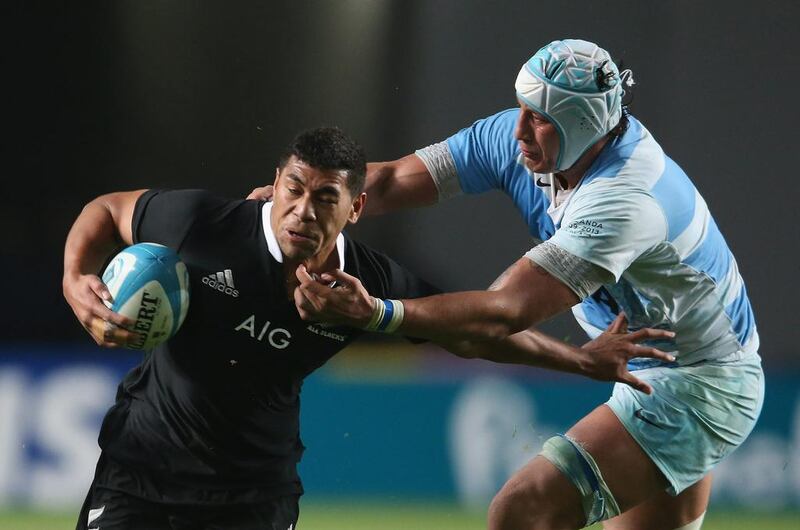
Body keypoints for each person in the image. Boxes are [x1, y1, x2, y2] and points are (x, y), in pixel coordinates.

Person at [63, 126, 670, 530]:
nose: (302, 211)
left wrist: (582, 361)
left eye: (324, 198)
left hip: (252, 497)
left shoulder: (370, 284)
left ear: (355, 209)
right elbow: (107, 210)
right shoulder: (203, 223)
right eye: (292, 190)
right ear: (273, 186)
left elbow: (473, 334)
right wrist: (75, 281)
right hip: (140, 473)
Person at [280, 40, 764, 530]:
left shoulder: (624, 199)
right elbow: (384, 183)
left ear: (583, 124)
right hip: (653, 371)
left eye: (539, 118)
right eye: (522, 109)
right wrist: (285, 212)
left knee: (522, 510)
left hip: (699, 384)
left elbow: (502, 313)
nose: (518, 130)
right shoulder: (528, 142)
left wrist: (377, 314)